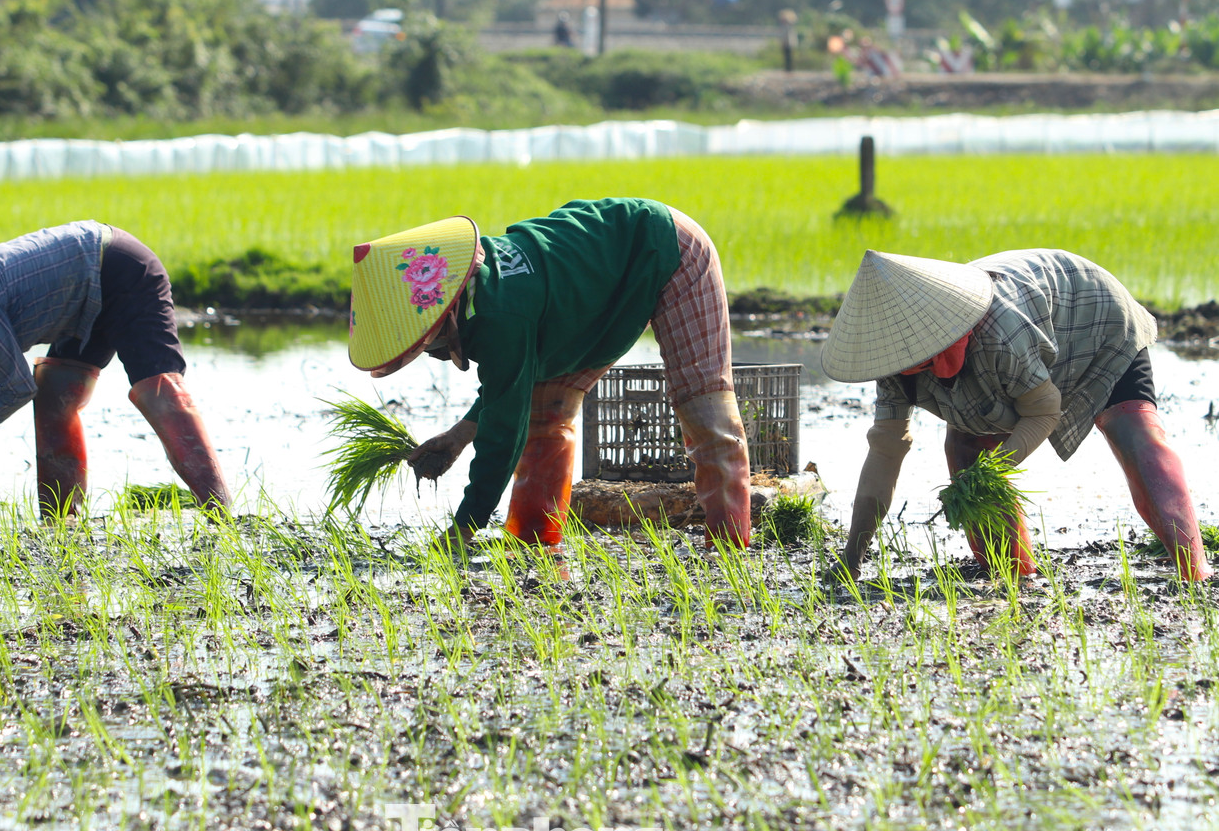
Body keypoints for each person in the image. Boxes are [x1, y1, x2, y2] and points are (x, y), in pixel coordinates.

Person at [346, 198, 751, 548]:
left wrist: (463, 529)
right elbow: (512, 387)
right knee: (544, 411)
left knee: (705, 406)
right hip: (593, 294)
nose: (429, 351)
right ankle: (534, 540)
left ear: (442, 314)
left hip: (665, 249)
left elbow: (502, 434)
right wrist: (456, 439)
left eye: (426, 343)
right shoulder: (478, 290)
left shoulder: (500, 313)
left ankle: (730, 547)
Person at [821, 249, 1211, 583]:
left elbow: (1043, 411)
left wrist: (993, 472)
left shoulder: (998, 332)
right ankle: (1012, 572)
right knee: (964, 446)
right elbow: (885, 452)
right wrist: (852, 555)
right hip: (1023, 342)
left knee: (1132, 431)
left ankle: (1193, 567)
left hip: (1092, 318)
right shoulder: (895, 364)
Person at [0, 223, 230, 520]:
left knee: (157, 391)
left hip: (117, 269)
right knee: (54, 394)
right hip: (80, 301)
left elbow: (15, 386)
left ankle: (223, 514)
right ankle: (63, 522)